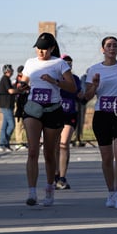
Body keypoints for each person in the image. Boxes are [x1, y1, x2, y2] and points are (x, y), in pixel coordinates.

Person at [20, 32, 77, 207]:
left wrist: (54, 81)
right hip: (33, 109)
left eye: (45, 48)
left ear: (52, 48)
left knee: (49, 153)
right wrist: (22, 84)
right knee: (32, 151)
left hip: (53, 109)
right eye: (38, 48)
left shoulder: (59, 64)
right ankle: (31, 192)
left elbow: (72, 87)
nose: (41, 51)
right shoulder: (30, 63)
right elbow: (25, 81)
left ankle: (49, 189)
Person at [84, 36, 117, 209]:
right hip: (102, 115)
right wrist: (95, 85)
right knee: (107, 157)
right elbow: (87, 96)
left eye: (115, 45)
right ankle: (111, 192)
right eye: (108, 45)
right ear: (102, 49)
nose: (112, 48)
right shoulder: (93, 70)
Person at [54, 54, 82, 190]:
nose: (68, 65)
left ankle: (62, 177)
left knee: (64, 143)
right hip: (54, 114)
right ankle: (55, 173)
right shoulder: (54, 78)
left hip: (69, 114)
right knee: (54, 145)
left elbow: (80, 95)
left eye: (70, 63)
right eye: (65, 63)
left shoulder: (75, 79)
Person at [0, 64, 20, 152]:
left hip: (8, 105)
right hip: (5, 105)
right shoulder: (5, 79)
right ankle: (4, 143)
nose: (12, 71)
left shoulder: (7, 79)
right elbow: (10, 91)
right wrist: (19, 90)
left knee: (5, 125)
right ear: (7, 71)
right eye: (11, 70)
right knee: (11, 125)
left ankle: (3, 144)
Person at [13, 65, 28, 150]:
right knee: (18, 123)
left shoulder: (26, 79)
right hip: (18, 103)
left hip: (26, 103)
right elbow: (18, 89)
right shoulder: (17, 81)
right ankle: (19, 142)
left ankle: (24, 141)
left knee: (25, 123)